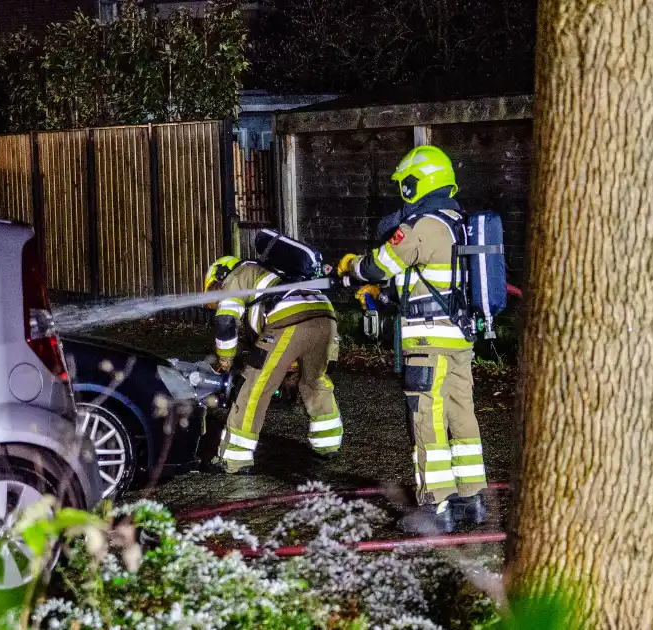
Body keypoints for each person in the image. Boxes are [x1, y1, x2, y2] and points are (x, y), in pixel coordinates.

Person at [336, 145, 488, 534]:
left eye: (406, 183)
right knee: (460, 414)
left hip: (428, 342)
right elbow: (427, 282)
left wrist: (352, 267)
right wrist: (383, 296)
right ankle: (472, 499)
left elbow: (379, 264)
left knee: (426, 418)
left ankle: (435, 507)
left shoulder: (423, 225)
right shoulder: (459, 221)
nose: (402, 190)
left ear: (420, 181)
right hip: (457, 338)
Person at [203, 255, 342, 473]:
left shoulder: (237, 276)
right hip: (327, 317)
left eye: (214, 286)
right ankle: (328, 443)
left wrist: (225, 357)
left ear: (221, 273)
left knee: (254, 387)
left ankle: (234, 459)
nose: (216, 293)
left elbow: (226, 321)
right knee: (315, 380)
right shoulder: (274, 272)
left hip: (289, 320)